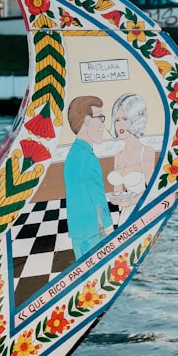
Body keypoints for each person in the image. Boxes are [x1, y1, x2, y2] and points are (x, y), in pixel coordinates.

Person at [63, 95, 111, 258]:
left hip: (78, 233)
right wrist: (109, 230)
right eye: (101, 118)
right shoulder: (88, 159)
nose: (103, 125)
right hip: (94, 234)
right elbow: (98, 200)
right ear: (88, 121)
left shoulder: (72, 156)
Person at [107, 93, 156, 218]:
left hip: (142, 210)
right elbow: (117, 192)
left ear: (135, 119)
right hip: (125, 212)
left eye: (125, 119)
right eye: (117, 120)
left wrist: (131, 201)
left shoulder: (146, 152)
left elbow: (152, 189)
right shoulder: (118, 156)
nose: (119, 125)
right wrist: (117, 200)